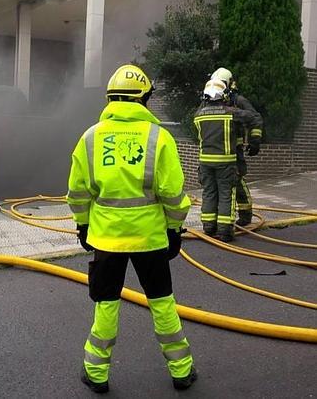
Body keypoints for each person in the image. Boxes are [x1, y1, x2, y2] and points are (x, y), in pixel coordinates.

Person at [66, 64, 196, 394]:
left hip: (107, 241)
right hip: (150, 239)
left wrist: (83, 225)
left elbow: (78, 192)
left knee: (106, 304)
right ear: (144, 99)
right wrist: (174, 230)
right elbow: (173, 195)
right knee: (162, 301)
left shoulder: (90, 137)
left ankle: (96, 373)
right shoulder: (159, 138)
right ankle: (181, 371)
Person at [194, 78, 261, 241]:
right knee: (226, 194)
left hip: (205, 163)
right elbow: (252, 117)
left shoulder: (198, 116)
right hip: (226, 162)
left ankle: (209, 227)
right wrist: (254, 139)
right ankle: (224, 231)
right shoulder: (230, 113)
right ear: (221, 95)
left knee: (209, 192)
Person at [211, 68, 263, 226]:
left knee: (238, 179)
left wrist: (255, 140)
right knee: (218, 184)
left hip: (235, 148)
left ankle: (246, 216)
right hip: (219, 149)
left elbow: (255, 118)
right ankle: (219, 217)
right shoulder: (212, 97)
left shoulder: (238, 100)